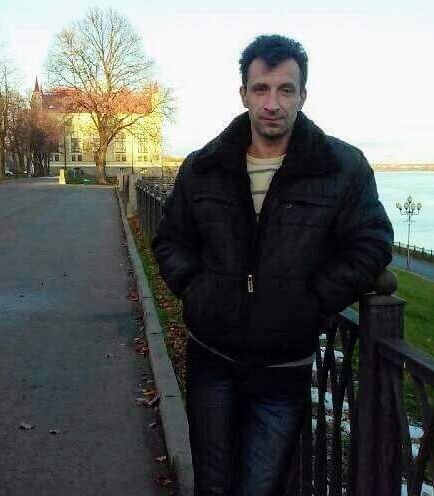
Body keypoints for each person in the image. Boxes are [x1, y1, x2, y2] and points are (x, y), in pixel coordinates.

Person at [151, 34, 393, 496]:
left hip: (284, 366)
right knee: (212, 485)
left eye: (285, 89)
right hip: (212, 358)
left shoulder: (341, 168)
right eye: (261, 88)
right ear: (243, 93)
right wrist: (198, 292)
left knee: (261, 487)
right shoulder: (204, 167)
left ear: (303, 95)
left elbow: (372, 241)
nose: (272, 104)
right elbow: (171, 240)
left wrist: (314, 300)